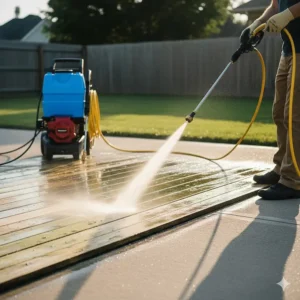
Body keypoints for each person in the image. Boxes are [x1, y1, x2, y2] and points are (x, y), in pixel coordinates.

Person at [240, 0, 300, 200]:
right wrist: (256, 23)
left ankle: (293, 180)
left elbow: (283, 11)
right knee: (279, 112)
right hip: (289, 51)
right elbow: (275, 6)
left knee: (294, 115)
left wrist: (288, 15)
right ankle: (282, 168)